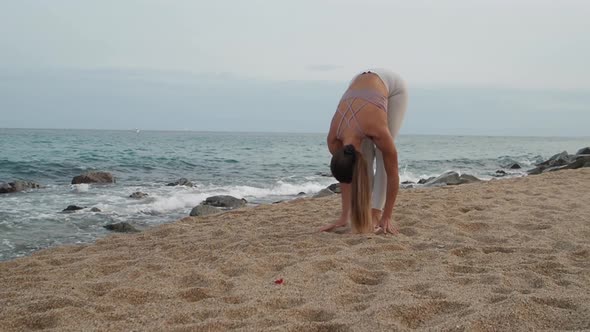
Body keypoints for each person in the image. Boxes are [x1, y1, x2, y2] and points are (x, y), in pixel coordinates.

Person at [320, 69, 408, 234]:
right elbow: (346, 177)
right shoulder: (334, 140)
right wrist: (344, 216)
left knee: (382, 156)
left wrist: (387, 216)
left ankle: (376, 213)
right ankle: (364, 212)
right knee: (362, 158)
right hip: (358, 85)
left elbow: (393, 172)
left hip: (392, 85)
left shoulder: (375, 128)